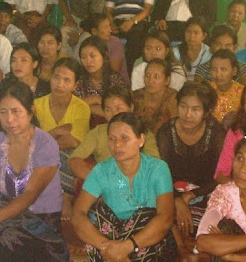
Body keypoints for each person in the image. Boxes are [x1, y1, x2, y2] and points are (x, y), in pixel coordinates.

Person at [0, 81, 69, 261]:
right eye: (3, 112)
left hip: (40, 218)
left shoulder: (46, 144)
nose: (9, 120)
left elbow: (30, 194)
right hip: (0, 210)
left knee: (10, 251)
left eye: (16, 111)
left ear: (30, 112)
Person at [72, 112, 178, 261]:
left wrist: (127, 246)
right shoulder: (101, 171)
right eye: (112, 139)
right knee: (96, 212)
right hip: (111, 243)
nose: (117, 145)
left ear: (141, 140)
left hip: (147, 239)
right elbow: (78, 214)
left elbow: (166, 217)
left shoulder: (158, 168)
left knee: (148, 215)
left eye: (124, 138)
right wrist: (109, 248)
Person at [156, 82, 226, 253]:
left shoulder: (216, 133)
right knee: (156, 218)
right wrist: (177, 200)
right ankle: (181, 247)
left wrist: (189, 196)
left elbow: (220, 177)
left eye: (195, 109)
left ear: (206, 112)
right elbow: (161, 174)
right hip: (170, 190)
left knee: (218, 225)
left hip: (205, 191)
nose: (188, 114)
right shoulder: (166, 132)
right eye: (183, 107)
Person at [34, 57, 91, 219]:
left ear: (76, 85)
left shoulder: (81, 107)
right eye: (56, 77)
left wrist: (46, 139)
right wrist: (58, 131)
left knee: (71, 154)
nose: (60, 84)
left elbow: (74, 141)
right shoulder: (37, 104)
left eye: (67, 80)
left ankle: (66, 195)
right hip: (42, 156)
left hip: (66, 156)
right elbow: (32, 141)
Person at [68, 86, 160, 181]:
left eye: (118, 108)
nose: (114, 114)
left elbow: (154, 163)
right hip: (105, 185)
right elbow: (74, 160)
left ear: (131, 107)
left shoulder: (143, 132)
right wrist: (98, 182)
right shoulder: (98, 132)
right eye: (108, 110)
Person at [76, 36, 127, 125]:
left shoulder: (116, 81)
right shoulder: (78, 82)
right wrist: (95, 99)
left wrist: (88, 107)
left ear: (105, 55)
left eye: (92, 56)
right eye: (83, 57)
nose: (88, 61)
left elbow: (118, 113)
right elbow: (71, 107)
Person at [79, 13, 129, 85]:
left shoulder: (115, 43)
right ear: (94, 31)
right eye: (106, 27)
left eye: (109, 26)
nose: (110, 30)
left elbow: (114, 71)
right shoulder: (88, 44)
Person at [133, 58, 179, 135]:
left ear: (167, 80)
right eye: (147, 75)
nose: (150, 81)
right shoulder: (135, 97)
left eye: (156, 76)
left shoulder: (174, 99)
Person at [209, 49, 244, 124]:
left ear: (234, 71)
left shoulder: (243, 93)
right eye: (214, 69)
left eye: (223, 69)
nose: (218, 74)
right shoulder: (206, 90)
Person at [173, 16, 211, 82]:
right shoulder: (175, 52)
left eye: (196, 33)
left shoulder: (208, 53)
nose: (191, 36)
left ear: (204, 36)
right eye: (188, 32)